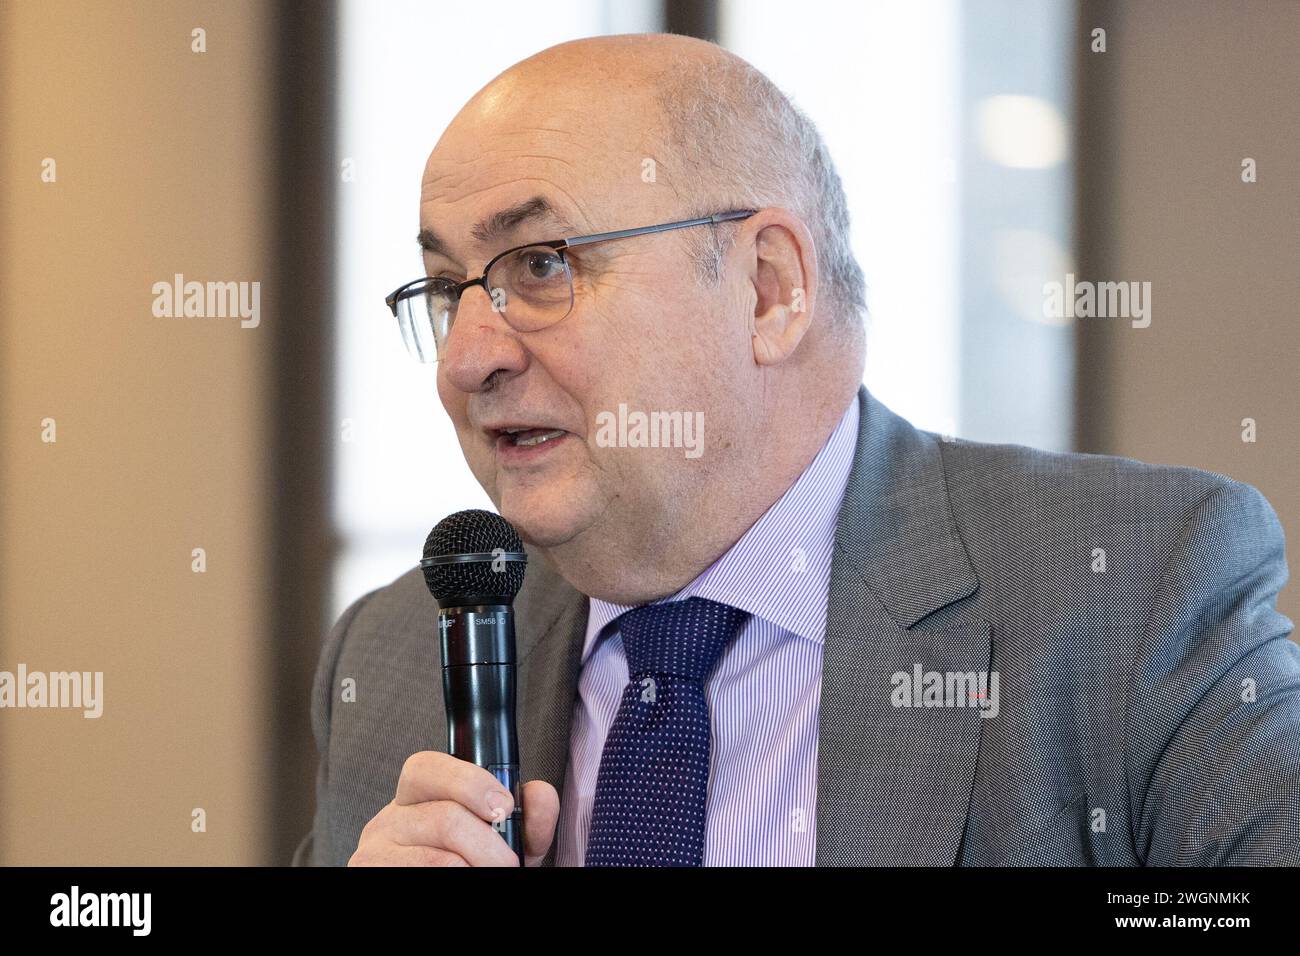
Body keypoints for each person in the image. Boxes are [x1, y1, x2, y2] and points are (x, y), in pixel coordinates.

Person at [295, 33, 1299, 866]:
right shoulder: (390, 664)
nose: (467, 356)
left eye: (542, 263)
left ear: (768, 288)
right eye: (443, 290)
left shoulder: (1128, 588)